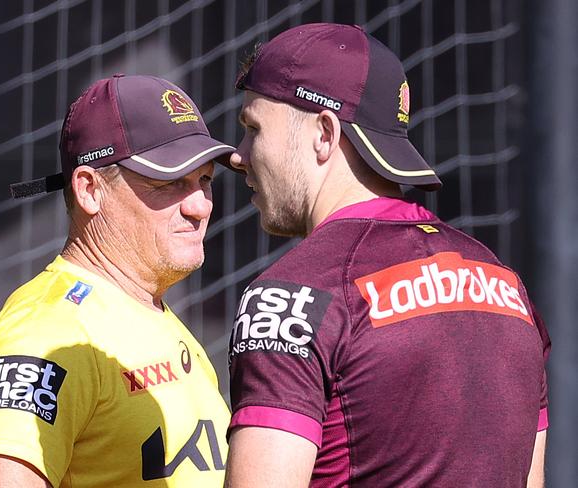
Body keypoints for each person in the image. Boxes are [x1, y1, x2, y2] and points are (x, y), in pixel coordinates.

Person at [224, 23, 550, 487]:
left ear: (323, 133)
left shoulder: (290, 298)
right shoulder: (507, 288)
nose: (239, 155)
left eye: (253, 128)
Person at [0, 74, 234, 487]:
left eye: (204, 181)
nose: (200, 206)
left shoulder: (148, 310)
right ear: (90, 189)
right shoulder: (46, 332)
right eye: (170, 183)